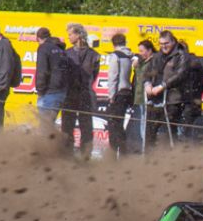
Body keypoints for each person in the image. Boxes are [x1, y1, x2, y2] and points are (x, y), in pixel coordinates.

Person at [143, 30, 188, 146]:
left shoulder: (181, 56)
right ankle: (149, 158)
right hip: (154, 99)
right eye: (161, 44)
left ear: (173, 41)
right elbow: (147, 72)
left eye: (166, 43)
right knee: (150, 131)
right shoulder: (157, 56)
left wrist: (162, 86)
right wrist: (147, 84)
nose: (164, 46)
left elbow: (180, 75)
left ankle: (170, 158)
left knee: (170, 131)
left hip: (173, 99)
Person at [63, 23, 99, 158]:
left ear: (78, 35)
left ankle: (85, 155)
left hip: (85, 93)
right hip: (70, 94)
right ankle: (67, 154)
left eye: (70, 34)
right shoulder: (66, 53)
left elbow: (94, 76)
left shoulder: (94, 55)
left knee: (86, 126)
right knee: (67, 125)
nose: (69, 37)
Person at [106, 32, 134, 156]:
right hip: (127, 92)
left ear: (113, 44)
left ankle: (114, 153)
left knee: (114, 124)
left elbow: (113, 77)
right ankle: (123, 152)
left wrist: (111, 96)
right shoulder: (129, 56)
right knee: (119, 123)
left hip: (118, 93)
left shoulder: (115, 56)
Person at [35, 27, 69, 127]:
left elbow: (42, 71)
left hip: (49, 92)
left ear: (38, 38)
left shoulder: (43, 48)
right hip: (61, 92)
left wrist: (40, 91)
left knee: (45, 127)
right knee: (50, 125)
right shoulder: (60, 49)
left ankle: (49, 143)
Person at [129, 39, 155, 154]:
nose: (140, 53)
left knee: (147, 124)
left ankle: (147, 150)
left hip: (149, 97)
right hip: (139, 96)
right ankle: (145, 149)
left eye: (142, 51)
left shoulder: (154, 61)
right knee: (142, 124)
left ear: (149, 50)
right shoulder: (141, 61)